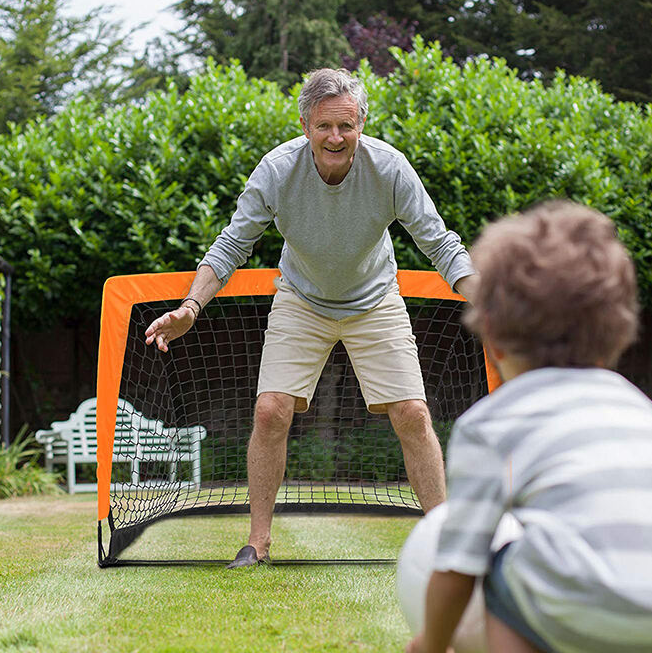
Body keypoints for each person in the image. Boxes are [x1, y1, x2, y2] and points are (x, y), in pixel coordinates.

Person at [400, 201, 652, 653]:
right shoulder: (632, 402)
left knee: (501, 563)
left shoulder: (491, 424)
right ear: (615, 331)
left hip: (614, 594)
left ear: (493, 335)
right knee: (599, 586)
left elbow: (459, 565)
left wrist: (434, 649)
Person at [145, 68, 476, 568]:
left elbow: (439, 241)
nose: (336, 137)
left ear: (361, 123)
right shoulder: (278, 171)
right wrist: (191, 307)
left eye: (346, 126)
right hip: (301, 299)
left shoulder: (390, 168)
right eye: (324, 126)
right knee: (270, 410)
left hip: (375, 300)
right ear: (305, 125)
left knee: (413, 413)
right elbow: (232, 244)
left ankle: (444, 543)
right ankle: (257, 543)